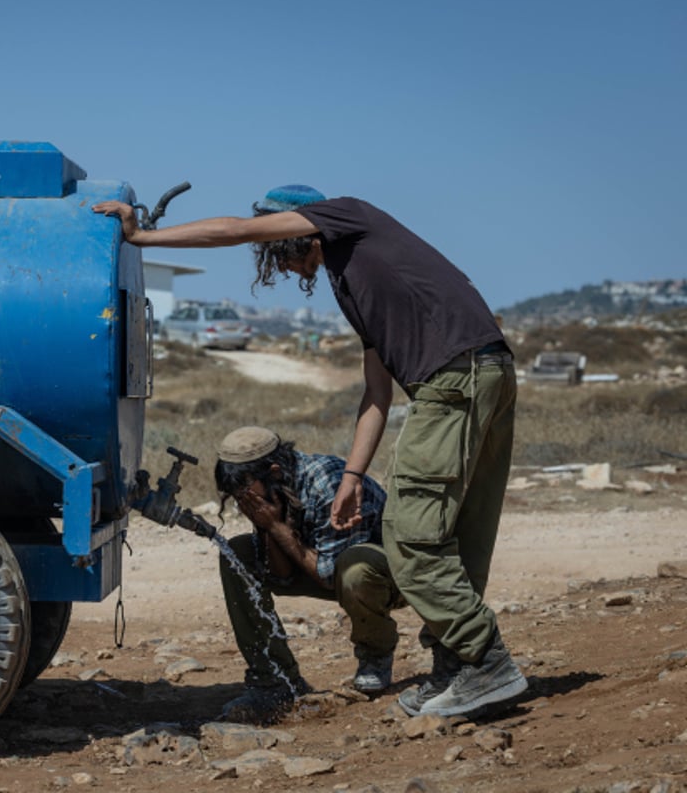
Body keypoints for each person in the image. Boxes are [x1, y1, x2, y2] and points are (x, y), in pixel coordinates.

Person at [94, 186, 527, 719]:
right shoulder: (354, 284)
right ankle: (461, 669)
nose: (286, 264)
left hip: (453, 380)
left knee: (410, 538)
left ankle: (483, 661)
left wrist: (142, 237)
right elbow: (376, 393)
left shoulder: (347, 215)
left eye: (281, 249)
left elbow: (235, 230)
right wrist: (352, 474)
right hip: (486, 372)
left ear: (298, 230)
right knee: (463, 532)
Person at [212, 426, 401, 725]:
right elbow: (283, 576)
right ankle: (275, 679)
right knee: (237, 553)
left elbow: (331, 575)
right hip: (322, 566)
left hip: (385, 575)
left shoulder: (328, 481)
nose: (242, 501)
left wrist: (277, 529)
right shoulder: (271, 490)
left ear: (273, 471)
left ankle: (375, 654)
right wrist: (268, 527)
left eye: (245, 492)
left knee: (354, 567)